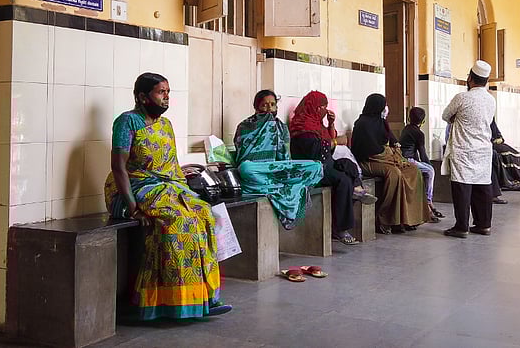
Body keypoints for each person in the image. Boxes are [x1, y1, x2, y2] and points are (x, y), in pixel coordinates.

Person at [105, 72, 231, 319]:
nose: (166, 98)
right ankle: (160, 301)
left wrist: (178, 173)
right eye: (161, 92)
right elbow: (119, 167)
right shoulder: (127, 122)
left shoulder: (166, 125)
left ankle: (206, 297)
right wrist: (133, 208)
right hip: (133, 188)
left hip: (166, 186)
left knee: (205, 214)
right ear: (142, 97)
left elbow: (167, 166)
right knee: (176, 221)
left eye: (168, 92)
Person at [289, 90, 377, 246]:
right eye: (322, 107)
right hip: (311, 169)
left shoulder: (316, 123)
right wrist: (336, 141)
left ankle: (357, 190)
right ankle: (340, 229)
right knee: (343, 181)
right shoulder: (301, 125)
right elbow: (315, 151)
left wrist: (331, 124)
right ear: (315, 107)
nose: (324, 110)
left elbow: (328, 142)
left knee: (348, 165)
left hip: (324, 163)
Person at [234, 90, 323, 230]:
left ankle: (275, 187)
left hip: (276, 170)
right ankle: (288, 188)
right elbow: (242, 157)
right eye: (264, 105)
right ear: (257, 107)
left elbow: (286, 158)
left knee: (316, 167)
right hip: (257, 170)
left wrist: (285, 168)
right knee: (245, 169)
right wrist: (266, 127)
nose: (269, 109)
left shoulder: (282, 127)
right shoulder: (245, 126)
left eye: (272, 105)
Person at [351, 93, 432, 234]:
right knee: (394, 173)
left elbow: (392, 140)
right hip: (367, 161)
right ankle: (385, 218)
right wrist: (388, 154)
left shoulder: (381, 122)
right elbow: (367, 150)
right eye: (383, 105)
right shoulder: (362, 124)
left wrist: (395, 149)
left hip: (384, 159)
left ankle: (407, 218)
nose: (385, 108)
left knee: (413, 170)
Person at [441, 60, 497, 239]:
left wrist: (456, 118)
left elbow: (445, 115)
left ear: (470, 78)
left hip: (464, 149)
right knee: (483, 187)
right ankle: (483, 225)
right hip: (483, 149)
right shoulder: (491, 99)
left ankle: (461, 227)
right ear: (486, 80)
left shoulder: (462, 98)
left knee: (462, 187)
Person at [399, 107, 443, 220]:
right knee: (430, 171)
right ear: (423, 121)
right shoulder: (419, 133)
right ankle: (428, 202)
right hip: (408, 160)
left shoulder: (406, 128)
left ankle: (428, 203)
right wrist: (430, 165)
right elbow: (422, 154)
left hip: (402, 158)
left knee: (426, 170)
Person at [491, 119, 520, 192]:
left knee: (514, 152)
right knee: (505, 153)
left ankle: (518, 181)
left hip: (495, 142)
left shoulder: (490, 117)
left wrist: (499, 138)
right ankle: (507, 182)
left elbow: (496, 131)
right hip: (488, 143)